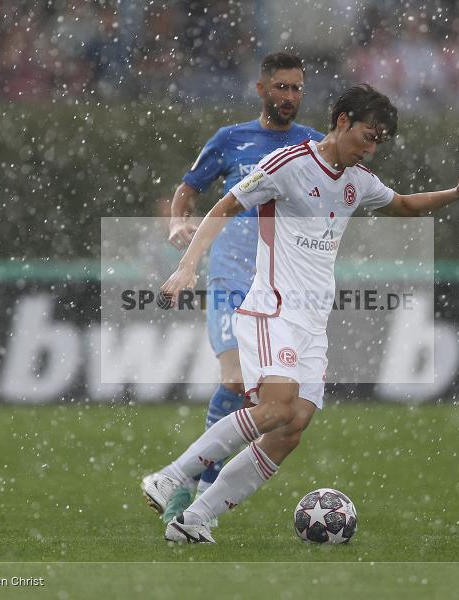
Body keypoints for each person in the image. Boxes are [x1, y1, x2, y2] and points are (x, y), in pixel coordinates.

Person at [143, 84, 459, 543]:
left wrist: (454, 193)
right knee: (275, 409)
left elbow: (402, 205)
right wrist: (187, 268)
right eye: (368, 135)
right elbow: (225, 207)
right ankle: (171, 476)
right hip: (272, 309)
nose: (372, 147)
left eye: (379, 140)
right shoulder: (288, 164)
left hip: (312, 322)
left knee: (292, 427)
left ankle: (196, 518)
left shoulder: (357, 180)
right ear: (342, 121)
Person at [160, 52, 324, 524]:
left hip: (282, 287)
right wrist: (177, 222)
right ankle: (194, 484)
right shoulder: (230, 140)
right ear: (261, 89)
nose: (290, 97)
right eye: (282, 88)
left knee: (263, 400)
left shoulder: (313, 146)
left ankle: (192, 484)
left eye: (297, 89)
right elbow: (189, 188)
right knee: (234, 381)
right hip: (232, 277)